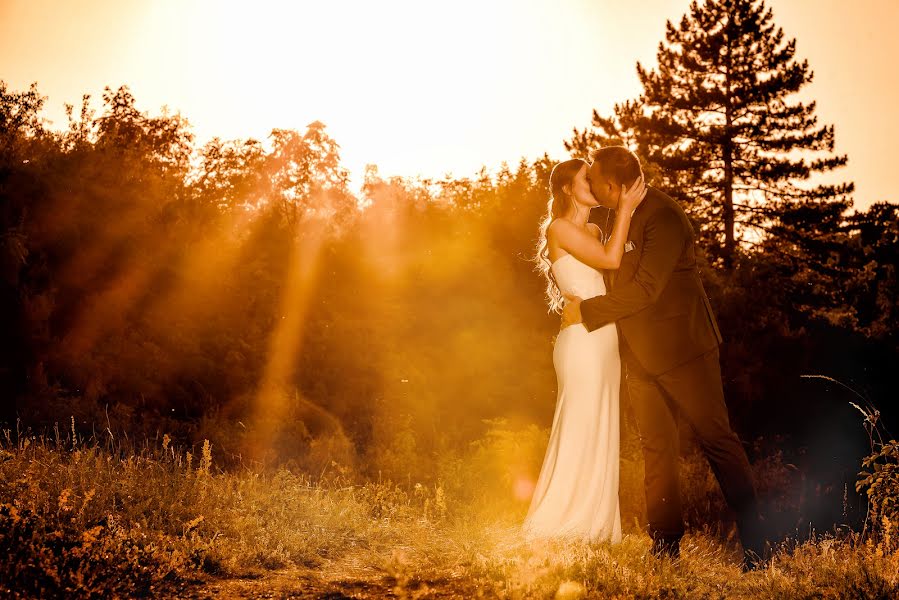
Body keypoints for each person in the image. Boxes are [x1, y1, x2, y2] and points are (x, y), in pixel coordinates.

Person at [561, 146, 767, 569]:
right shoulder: (616, 218)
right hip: (640, 357)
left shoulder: (664, 217)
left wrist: (586, 311)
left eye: (596, 181)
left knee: (718, 443)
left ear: (614, 186)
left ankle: (760, 546)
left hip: (685, 351)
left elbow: (646, 290)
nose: (593, 188)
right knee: (656, 449)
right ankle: (666, 544)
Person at [522, 157, 646, 542]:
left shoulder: (593, 228)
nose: (592, 184)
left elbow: (615, 262)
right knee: (580, 422)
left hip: (605, 339)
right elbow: (611, 258)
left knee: (603, 423)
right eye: (583, 180)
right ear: (566, 189)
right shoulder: (559, 228)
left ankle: (595, 527)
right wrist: (625, 208)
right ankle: (562, 523)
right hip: (581, 342)